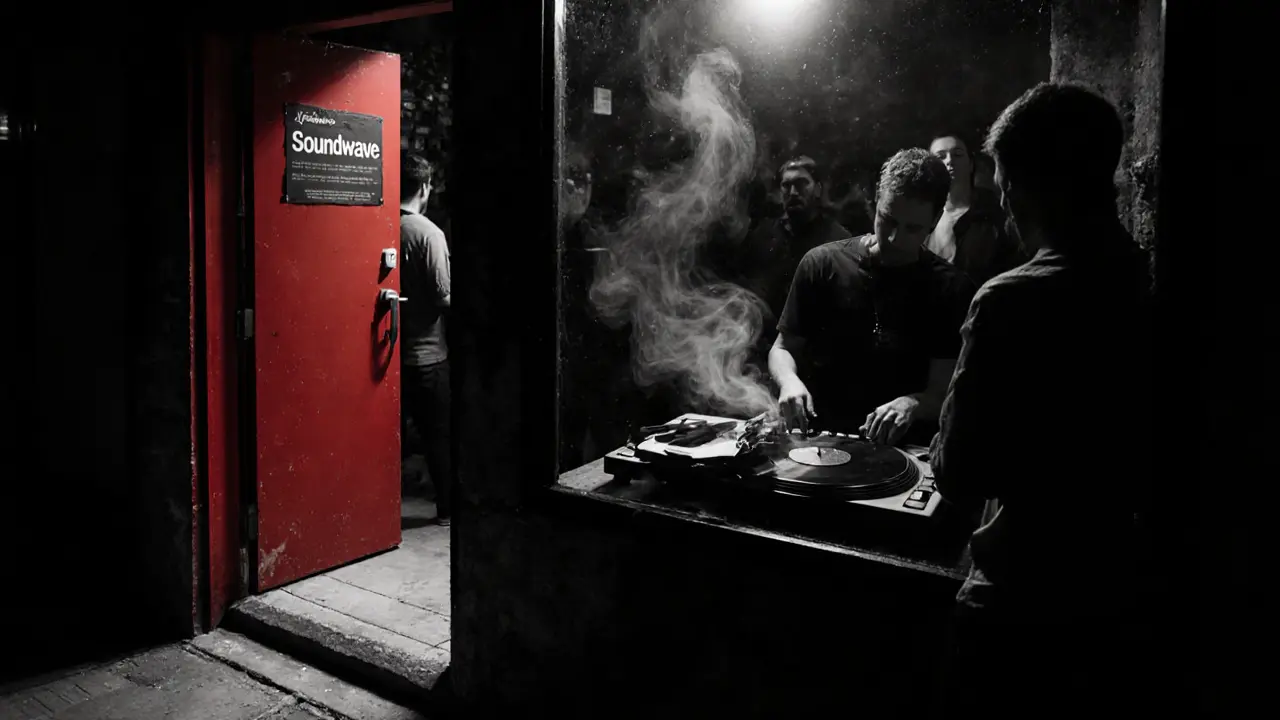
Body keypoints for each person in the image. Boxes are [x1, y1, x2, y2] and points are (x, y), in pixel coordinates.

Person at [929, 83, 1153, 715]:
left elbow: (958, 471)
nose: (1002, 198)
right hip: (1114, 589)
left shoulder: (1009, 299)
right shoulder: (1139, 277)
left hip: (1018, 601)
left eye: (1004, 182)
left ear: (1025, 188)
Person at [770, 149, 975, 445]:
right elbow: (782, 348)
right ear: (876, 200)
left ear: (935, 219)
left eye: (912, 228)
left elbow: (944, 389)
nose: (893, 238)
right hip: (819, 442)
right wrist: (789, 382)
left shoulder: (952, 289)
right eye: (887, 219)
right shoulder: (821, 264)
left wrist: (913, 404)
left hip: (902, 450)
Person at [728, 156, 851, 373]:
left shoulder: (838, 240)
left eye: (802, 184)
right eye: (787, 185)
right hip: (763, 354)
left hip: (817, 360)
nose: (793, 192)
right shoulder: (763, 236)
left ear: (818, 189)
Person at [399, 152, 453, 525]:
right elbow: (443, 296)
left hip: (388, 356)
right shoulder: (429, 234)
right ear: (424, 186)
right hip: (427, 357)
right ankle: (448, 509)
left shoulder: (377, 226)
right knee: (438, 435)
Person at [925, 134, 1027, 287]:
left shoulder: (994, 214)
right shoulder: (921, 215)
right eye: (940, 156)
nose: (949, 161)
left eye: (957, 154)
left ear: (970, 164)